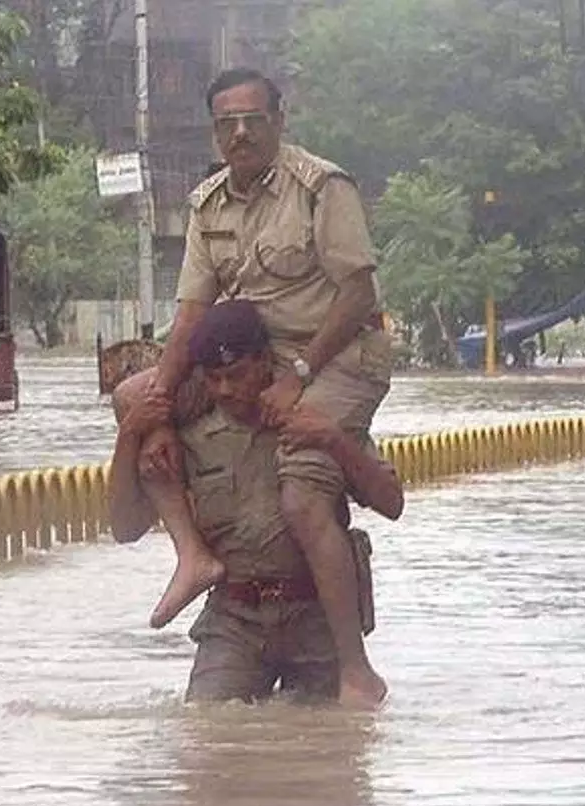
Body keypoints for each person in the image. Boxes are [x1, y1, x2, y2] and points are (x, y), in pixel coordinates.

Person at [116, 66, 393, 703]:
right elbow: (190, 312)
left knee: (300, 496)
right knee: (133, 399)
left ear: (278, 119)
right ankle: (192, 556)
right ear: (215, 131)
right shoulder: (207, 204)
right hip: (250, 354)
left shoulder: (321, 187)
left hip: (337, 353)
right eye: (226, 123)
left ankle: (355, 669)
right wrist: (158, 407)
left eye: (252, 119)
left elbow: (358, 294)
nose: (240, 133)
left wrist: (298, 375)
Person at [109, 301, 403, 707]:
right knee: (207, 730)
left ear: (265, 362)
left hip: (316, 615)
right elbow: (125, 528)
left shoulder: (315, 419)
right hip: (235, 618)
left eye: (237, 375)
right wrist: (130, 436)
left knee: (338, 743)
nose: (225, 389)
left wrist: (334, 440)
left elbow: (391, 503)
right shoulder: (188, 437)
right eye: (213, 378)